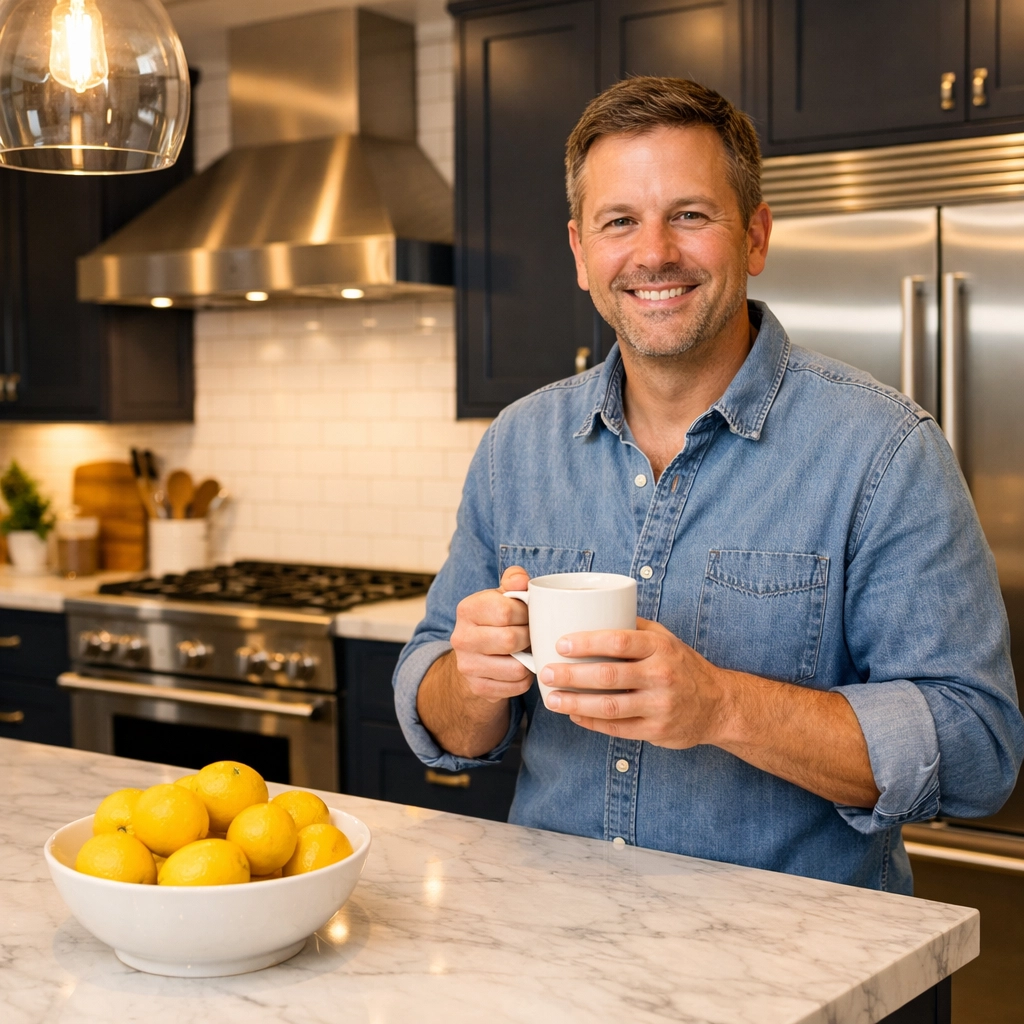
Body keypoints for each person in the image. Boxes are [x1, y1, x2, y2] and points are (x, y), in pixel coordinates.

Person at [392, 76, 1023, 893]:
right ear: (582, 254)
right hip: (554, 948)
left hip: (792, 970)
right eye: (620, 222)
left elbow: (977, 751)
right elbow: (441, 712)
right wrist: (470, 679)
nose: (653, 253)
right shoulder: (518, 445)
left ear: (755, 237)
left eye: (690, 215)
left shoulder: (884, 451)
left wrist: (721, 706)